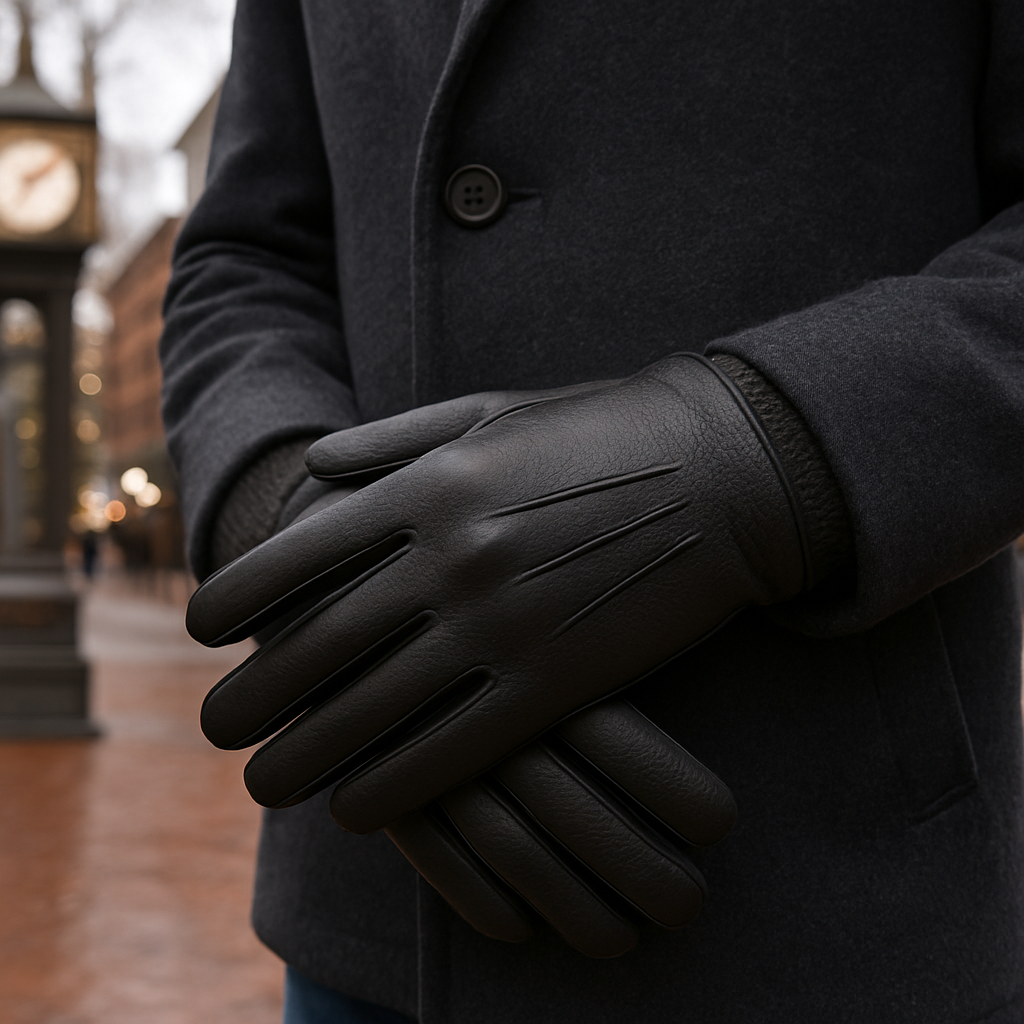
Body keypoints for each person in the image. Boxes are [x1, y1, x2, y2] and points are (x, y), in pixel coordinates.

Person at [160, 1, 1024, 1021]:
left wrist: (767, 459)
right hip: (386, 895)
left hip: (830, 906)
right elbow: (245, 262)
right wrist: (301, 526)